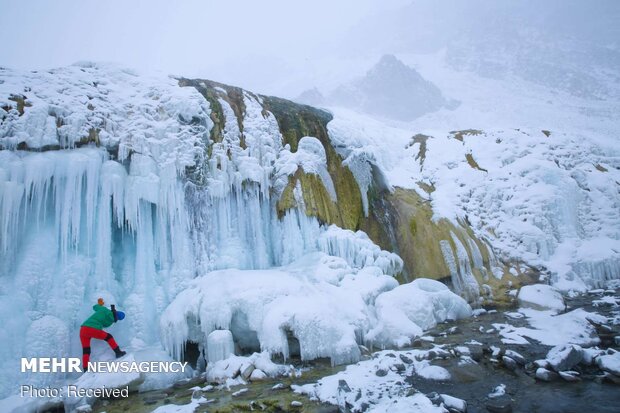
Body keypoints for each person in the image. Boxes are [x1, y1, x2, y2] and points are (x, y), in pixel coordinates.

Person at [80, 297, 126, 371]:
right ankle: (118, 352)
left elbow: (95, 307)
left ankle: (85, 368)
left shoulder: (104, 309)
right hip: (93, 329)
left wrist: (100, 304)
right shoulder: (110, 322)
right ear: (117, 319)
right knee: (109, 337)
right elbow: (104, 325)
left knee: (86, 350)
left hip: (83, 329)